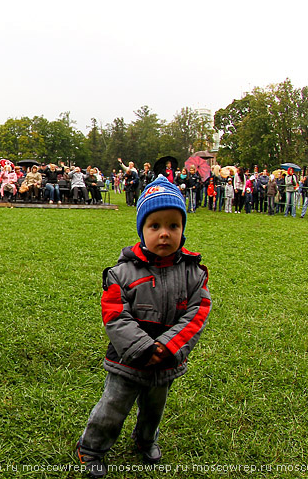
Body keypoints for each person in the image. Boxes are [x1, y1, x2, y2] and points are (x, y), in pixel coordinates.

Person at [76, 176, 211, 478]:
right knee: (112, 406)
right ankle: (92, 448)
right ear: (141, 230)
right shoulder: (121, 273)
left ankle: (145, 439)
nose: (164, 234)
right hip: (128, 358)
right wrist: (142, 348)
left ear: (183, 229)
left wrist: (168, 346)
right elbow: (114, 315)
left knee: (154, 408)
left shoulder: (193, 272)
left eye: (173, 226)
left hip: (166, 360)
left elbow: (198, 312)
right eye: (155, 226)